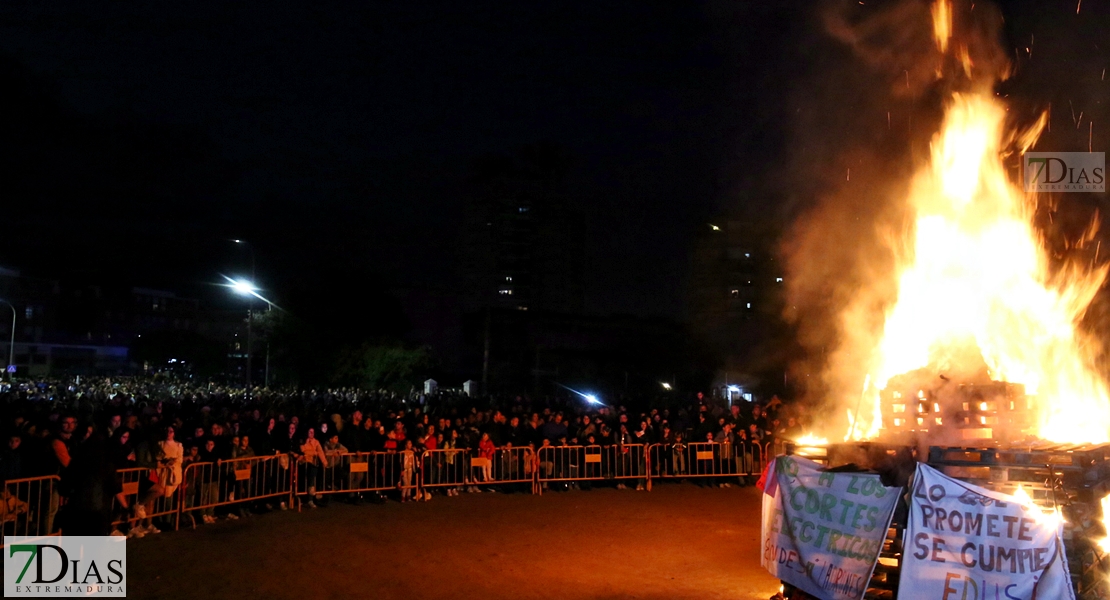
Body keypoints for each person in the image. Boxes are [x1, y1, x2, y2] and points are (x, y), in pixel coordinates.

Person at [299, 427, 325, 508]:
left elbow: (320, 452)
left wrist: (324, 462)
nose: (311, 433)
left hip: (313, 463)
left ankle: (311, 499)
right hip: (303, 463)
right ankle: (304, 499)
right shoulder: (303, 441)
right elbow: (303, 450)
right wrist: (314, 452)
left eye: (313, 432)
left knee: (312, 477)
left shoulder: (316, 442)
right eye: (310, 432)